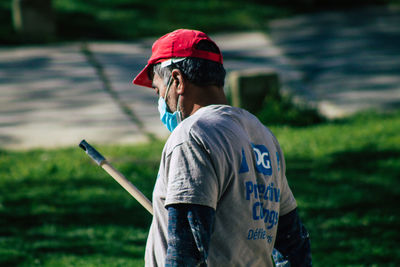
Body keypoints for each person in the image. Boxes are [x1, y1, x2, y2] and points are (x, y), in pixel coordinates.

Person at [133, 29, 311, 267]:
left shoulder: (191, 137)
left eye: (158, 91)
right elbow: (291, 242)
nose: (160, 102)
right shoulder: (261, 133)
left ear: (176, 81)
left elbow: (187, 249)